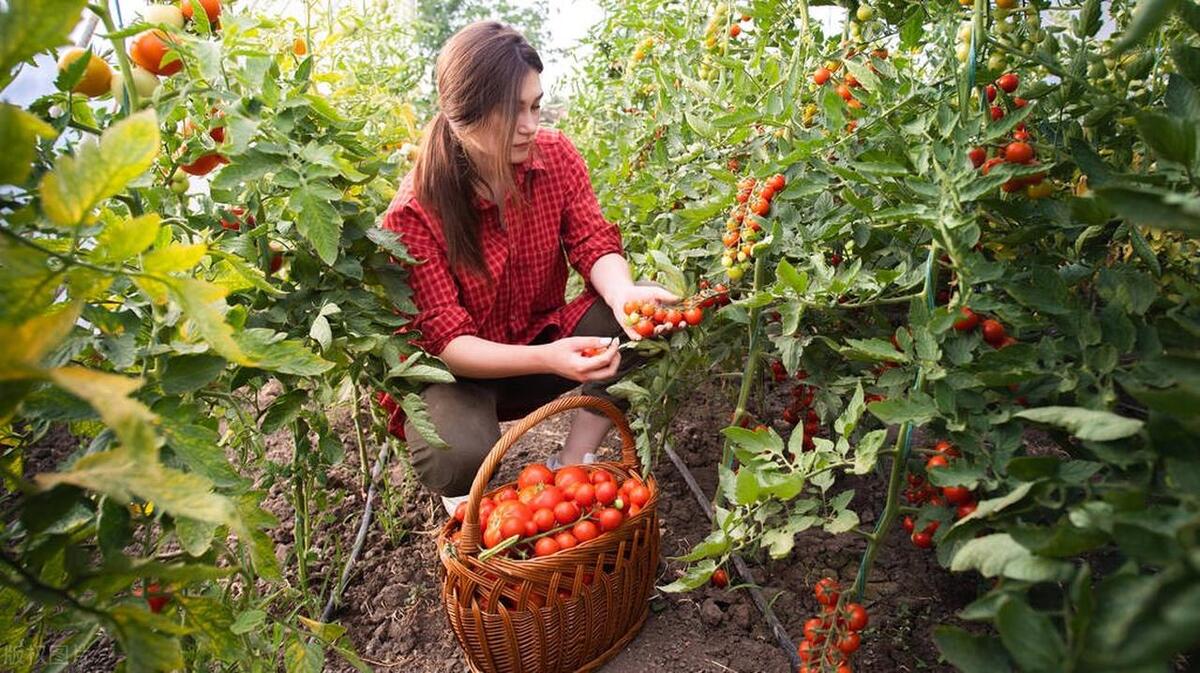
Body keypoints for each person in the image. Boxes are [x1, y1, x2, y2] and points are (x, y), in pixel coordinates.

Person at [376, 21, 677, 515]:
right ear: (463, 117)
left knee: (648, 318)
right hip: (461, 376)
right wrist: (551, 358)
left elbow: (592, 241)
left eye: (535, 105)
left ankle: (572, 461)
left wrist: (624, 297)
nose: (531, 125)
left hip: (541, 336)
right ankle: (468, 512)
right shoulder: (414, 213)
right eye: (511, 111)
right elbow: (449, 345)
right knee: (456, 453)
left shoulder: (554, 157)